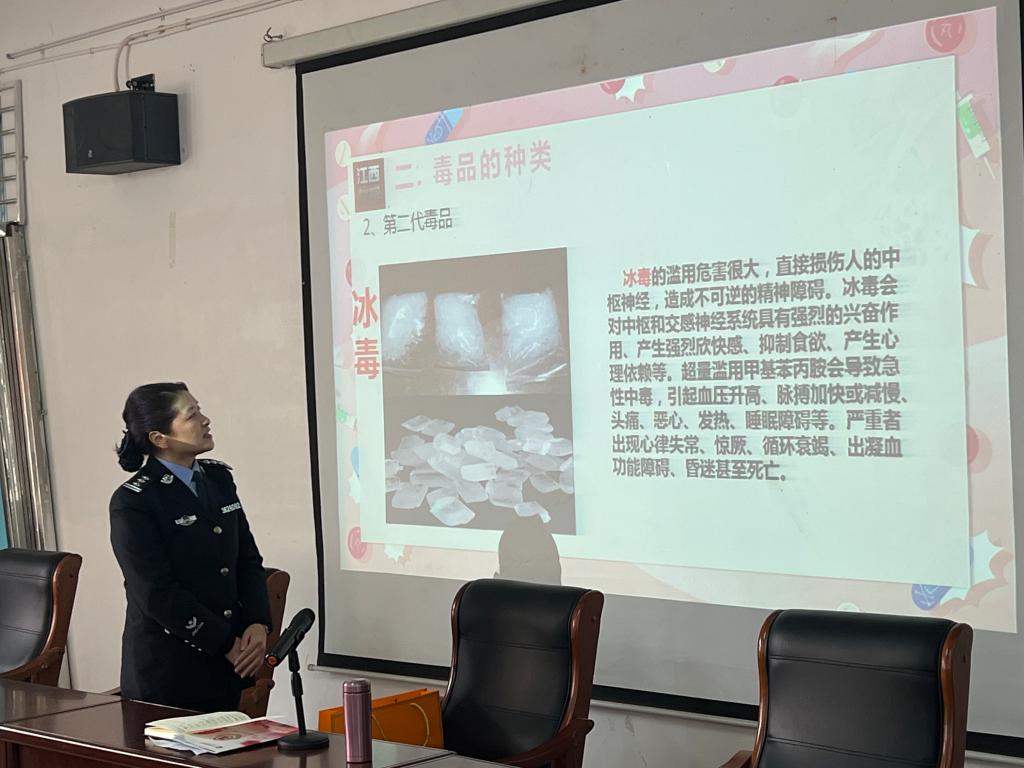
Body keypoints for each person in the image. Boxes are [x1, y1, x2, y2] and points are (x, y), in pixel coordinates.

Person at [109, 382, 272, 712]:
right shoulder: (134, 501)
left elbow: (247, 560)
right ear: (160, 438)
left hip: (226, 666)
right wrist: (224, 643)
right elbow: (156, 593)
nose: (205, 420)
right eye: (192, 415)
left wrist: (258, 623)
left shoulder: (218, 480)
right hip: (170, 673)